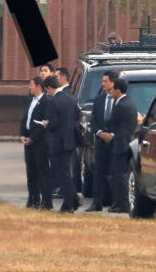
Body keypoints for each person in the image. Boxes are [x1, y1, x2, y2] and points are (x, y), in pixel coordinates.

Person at [99, 77, 138, 213]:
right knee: (119, 174)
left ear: (118, 90)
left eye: (113, 89)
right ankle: (119, 203)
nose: (110, 92)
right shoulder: (130, 102)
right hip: (126, 141)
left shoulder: (121, 105)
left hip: (121, 143)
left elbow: (110, 122)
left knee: (119, 175)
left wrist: (107, 127)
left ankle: (121, 204)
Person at [43, 75, 80, 212]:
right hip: (70, 141)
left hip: (57, 143)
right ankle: (73, 200)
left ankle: (70, 203)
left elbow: (53, 124)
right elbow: (77, 115)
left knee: (62, 175)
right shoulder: (70, 98)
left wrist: (46, 124)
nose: (47, 93)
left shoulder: (53, 102)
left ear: (49, 88)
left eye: (47, 90)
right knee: (66, 173)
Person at [86, 70, 119, 212]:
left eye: (105, 81)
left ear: (113, 82)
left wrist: (112, 134)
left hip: (115, 141)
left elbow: (122, 121)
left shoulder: (120, 100)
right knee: (98, 172)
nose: (103, 84)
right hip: (100, 141)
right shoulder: (99, 100)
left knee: (114, 173)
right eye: (102, 81)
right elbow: (93, 122)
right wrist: (100, 132)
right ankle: (97, 203)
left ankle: (115, 202)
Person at [20, 76, 52, 209]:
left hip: (40, 142)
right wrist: (23, 135)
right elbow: (25, 119)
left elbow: (43, 124)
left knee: (42, 172)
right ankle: (33, 198)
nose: (30, 87)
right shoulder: (31, 100)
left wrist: (32, 138)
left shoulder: (46, 101)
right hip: (28, 141)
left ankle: (46, 201)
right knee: (31, 171)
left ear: (39, 86)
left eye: (31, 85)